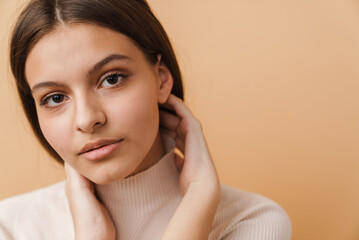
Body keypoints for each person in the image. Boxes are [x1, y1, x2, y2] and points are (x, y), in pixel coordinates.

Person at [0, 0, 292, 239]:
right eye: (54, 98)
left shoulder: (250, 222)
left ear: (161, 79)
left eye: (111, 79)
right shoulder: (11, 227)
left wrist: (198, 203)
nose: (88, 119)